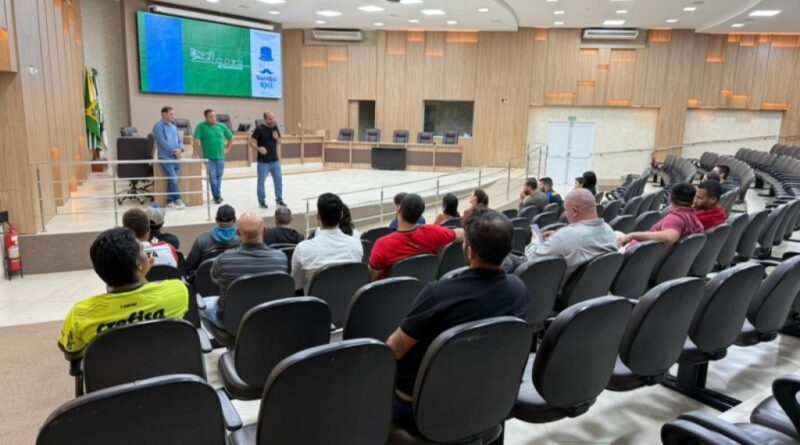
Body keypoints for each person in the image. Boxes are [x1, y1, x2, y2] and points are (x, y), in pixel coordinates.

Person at [386, 209, 528, 429]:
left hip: (421, 405)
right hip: (483, 392)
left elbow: (395, 349)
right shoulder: (519, 290)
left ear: (470, 252)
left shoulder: (438, 293)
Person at [58, 227, 189, 360]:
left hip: (112, 373)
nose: (146, 254)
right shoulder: (177, 290)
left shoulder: (79, 314)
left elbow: (71, 355)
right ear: (139, 264)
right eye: (142, 250)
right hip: (168, 369)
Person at [204, 212, 288, 328]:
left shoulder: (223, 259)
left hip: (230, 323)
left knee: (205, 302)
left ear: (238, 233)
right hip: (269, 318)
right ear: (264, 231)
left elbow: (214, 278)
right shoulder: (281, 258)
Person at [525, 189, 617, 279]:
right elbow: (589, 237)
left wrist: (535, 240)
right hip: (597, 286)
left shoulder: (566, 236)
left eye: (566, 210)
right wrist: (558, 237)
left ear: (574, 212)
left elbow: (532, 258)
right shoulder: (609, 230)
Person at [370, 193, 464, 281]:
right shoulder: (433, 232)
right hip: (424, 285)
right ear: (420, 214)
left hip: (393, 291)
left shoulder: (382, 244)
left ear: (399, 210)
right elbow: (461, 234)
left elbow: (371, 277)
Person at [292, 193, 363, 293]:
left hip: (316, 302)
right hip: (347, 301)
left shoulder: (302, 249)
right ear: (341, 215)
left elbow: (296, 286)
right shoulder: (356, 245)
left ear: (318, 216)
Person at [619, 182, 704, 247]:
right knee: (617, 233)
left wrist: (632, 235)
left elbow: (669, 237)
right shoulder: (692, 218)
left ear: (670, 198)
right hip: (642, 252)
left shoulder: (675, 218)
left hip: (634, 253)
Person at [185, 205, 240, 274]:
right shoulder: (244, 240)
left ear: (216, 220)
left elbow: (189, 266)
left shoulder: (201, 240)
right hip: (235, 279)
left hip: (206, 279)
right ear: (234, 220)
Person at [193, 109, 233, 205]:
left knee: (219, 177)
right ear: (206, 117)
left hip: (220, 157)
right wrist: (195, 153)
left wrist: (228, 148)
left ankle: (217, 195)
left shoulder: (221, 126)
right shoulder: (201, 126)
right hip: (209, 158)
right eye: (210, 117)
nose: (213, 118)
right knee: (212, 178)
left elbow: (230, 137)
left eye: (214, 116)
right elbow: (195, 140)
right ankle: (217, 196)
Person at [250, 111, 286, 209]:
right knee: (261, 183)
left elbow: (279, 141)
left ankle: (279, 200)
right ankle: (261, 202)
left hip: (275, 160)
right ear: (265, 119)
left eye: (273, 118)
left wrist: (277, 138)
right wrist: (259, 148)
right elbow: (251, 142)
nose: (272, 120)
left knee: (278, 180)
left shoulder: (275, 127)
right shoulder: (259, 129)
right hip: (263, 162)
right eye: (270, 119)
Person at [152, 106, 185, 209]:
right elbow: (162, 142)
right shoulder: (158, 126)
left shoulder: (173, 127)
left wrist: (181, 149)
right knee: (173, 179)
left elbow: (180, 141)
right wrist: (174, 151)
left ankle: (169, 201)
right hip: (166, 158)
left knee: (173, 180)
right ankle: (178, 199)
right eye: (171, 114)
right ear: (164, 114)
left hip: (176, 158)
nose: (173, 116)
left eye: (173, 114)